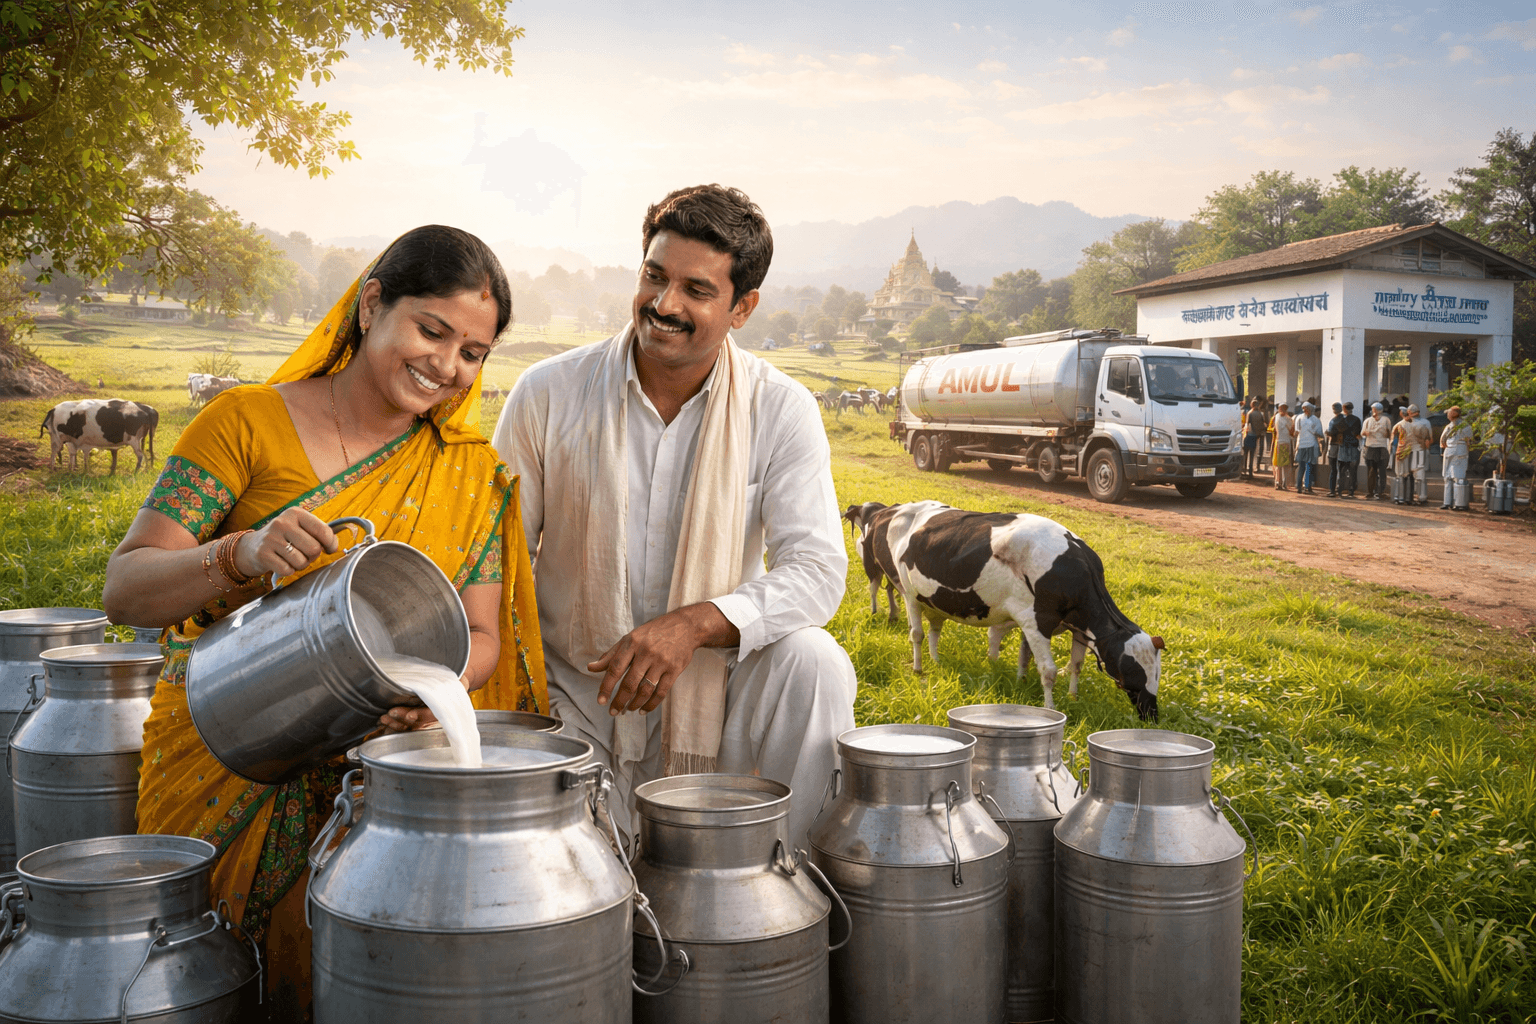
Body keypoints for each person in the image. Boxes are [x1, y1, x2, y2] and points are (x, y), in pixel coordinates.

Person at [101, 226, 547, 1017]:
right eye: (432, 330)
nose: (447, 366)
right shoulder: (245, 423)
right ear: (373, 303)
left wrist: (436, 691)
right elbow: (127, 590)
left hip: (379, 782)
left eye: (473, 352)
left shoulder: (469, 472)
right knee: (192, 986)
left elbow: (477, 639)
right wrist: (239, 551)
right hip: (223, 747)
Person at [493, 185, 856, 851]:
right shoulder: (549, 392)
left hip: (713, 704)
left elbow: (817, 573)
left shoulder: (779, 408)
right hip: (572, 695)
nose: (664, 306)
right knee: (585, 897)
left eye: (696, 289)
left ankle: (783, 877)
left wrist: (694, 626)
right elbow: (494, 557)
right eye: (654, 278)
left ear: (742, 308)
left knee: (814, 663)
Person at [1390, 404, 1433, 505]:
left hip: (1409, 451)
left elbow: (1393, 439)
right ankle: (1416, 498)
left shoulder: (1402, 424)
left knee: (1407, 475)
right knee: (1415, 475)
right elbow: (1429, 440)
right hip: (1413, 451)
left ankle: (1404, 497)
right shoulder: (1421, 424)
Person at [1439, 405, 1471, 509]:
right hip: (1460, 451)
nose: (1448, 414)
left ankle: (1447, 502)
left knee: (1448, 477)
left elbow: (1442, 442)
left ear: (1454, 414)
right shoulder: (1466, 426)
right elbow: (1469, 442)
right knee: (1458, 478)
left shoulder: (1448, 427)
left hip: (1449, 451)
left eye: (1449, 412)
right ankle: (1458, 503)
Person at [1362, 401, 1392, 500]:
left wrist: (1384, 432)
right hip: (1370, 447)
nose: (1373, 411)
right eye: (1372, 409)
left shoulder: (1386, 420)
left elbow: (1389, 434)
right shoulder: (1368, 421)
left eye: (1374, 409)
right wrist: (1368, 432)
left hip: (1382, 447)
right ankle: (1371, 491)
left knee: (1382, 471)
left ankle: (1381, 492)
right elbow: (1362, 433)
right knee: (1371, 471)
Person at [1293, 402, 1323, 494]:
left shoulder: (1316, 420)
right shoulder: (1299, 418)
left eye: (1306, 408)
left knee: (1309, 466)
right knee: (1302, 466)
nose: (1304, 410)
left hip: (1311, 445)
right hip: (1302, 445)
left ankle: (1307, 487)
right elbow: (1296, 432)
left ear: (1310, 409)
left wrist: (1314, 432)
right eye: (1303, 408)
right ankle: (1299, 486)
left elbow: (1320, 434)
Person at [1335, 402, 1362, 498]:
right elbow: (1358, 434)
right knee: (1353, 470)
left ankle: (1340, 490)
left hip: (1343, 447)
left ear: (1344, 409)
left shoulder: (1340, 420)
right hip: (1353, 447)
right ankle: (1351, 491)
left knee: (1342, 470)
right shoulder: (1357, 420)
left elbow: (1337, 433)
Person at [1270, 402, 1295, 491]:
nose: (1282, 410)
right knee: (1277, 464)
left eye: (1284, 408)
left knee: (1285, 464)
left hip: (1286, 443)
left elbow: (1292, 431)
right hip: (1278, 442)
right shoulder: (1277, 417)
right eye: (1281, 408)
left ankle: (1284, 483)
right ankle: (1278, 482)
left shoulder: (1289, 419)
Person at [1242, 398, 1265, 479]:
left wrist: (1244, 434)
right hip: (1255, 436)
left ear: (1252, 405)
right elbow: (1262, 425)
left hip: (1249, 435)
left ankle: (1244, 470)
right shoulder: (1260, 414)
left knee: (1245, 454)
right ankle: (1250, 472)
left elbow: (1247, 425)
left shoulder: (1250, 413)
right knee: (1252, 455)